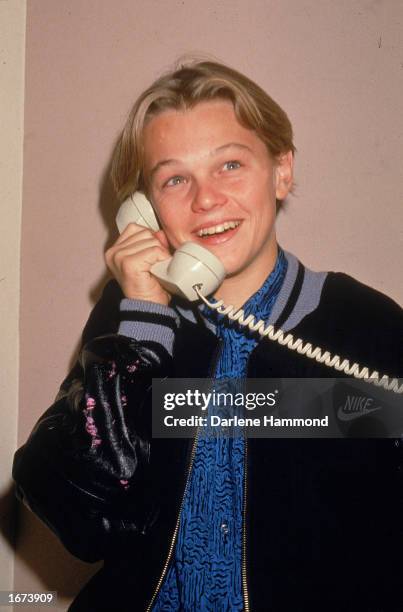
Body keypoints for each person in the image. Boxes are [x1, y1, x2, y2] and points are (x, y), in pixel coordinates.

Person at [13, 60, 403, 611]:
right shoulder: (131, 318)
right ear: (144, 209)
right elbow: (85, 522)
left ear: (282, 170)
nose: (205, 200)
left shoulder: (363, 326)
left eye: (230, 165)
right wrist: (142, 325)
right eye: (174, 179)